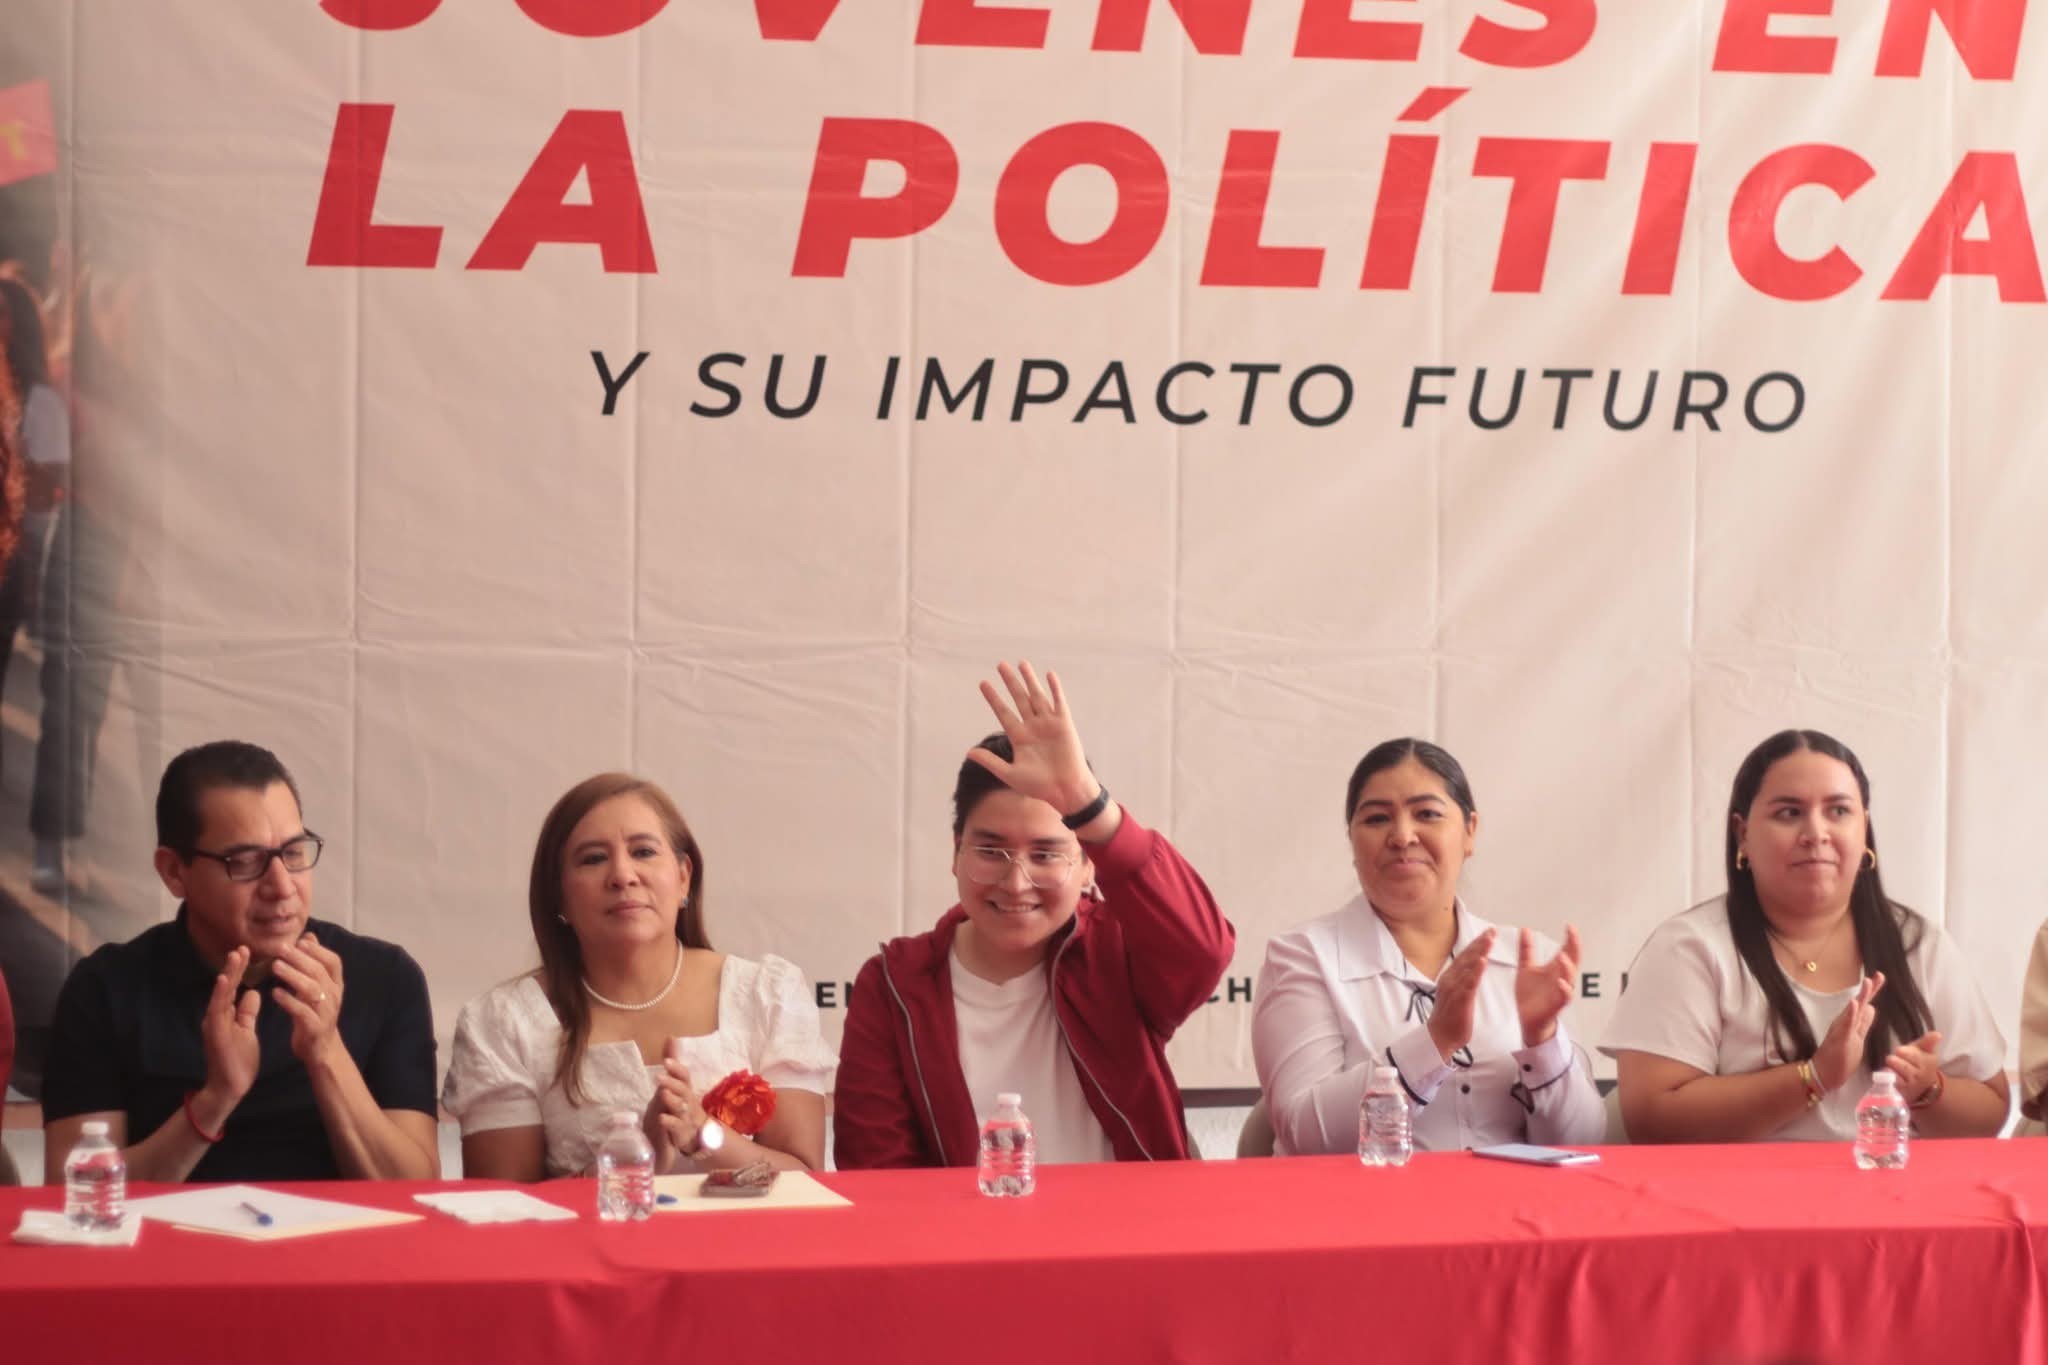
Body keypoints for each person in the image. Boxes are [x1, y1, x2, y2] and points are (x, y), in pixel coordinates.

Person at [834, 661, 1235, 1169]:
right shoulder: (895, 985)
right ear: (956, 852)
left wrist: (1088, 805)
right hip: (969, 1245)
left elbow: (1204, 949)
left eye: (1046, 855)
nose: (1016, 882)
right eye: (990, 851)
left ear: (1088, 863)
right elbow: (878, 1174)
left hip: (1128, 1237)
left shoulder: (1114, 949)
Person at [40, 741, 440, 1181]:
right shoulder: (106, 989)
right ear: (174, 871)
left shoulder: (384, 978)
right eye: (246, 862)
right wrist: (215, 1101)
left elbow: (416, 1191)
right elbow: (73, 1193)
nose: (282, 886)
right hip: (165, 1245)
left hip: (336, 1245)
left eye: (293, 853)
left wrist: (326, 1051)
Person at [1605, 729, 2007, 1142]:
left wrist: (1929, 1090)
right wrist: (1811, 1077)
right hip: (1732, 1200)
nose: (1816, 833)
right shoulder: (1691, 948)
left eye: (1838, 811)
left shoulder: (1919, 944)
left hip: (1895, 1196)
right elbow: (1651, 1120)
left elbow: (1991, 1109)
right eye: (1789, 813)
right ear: (1743, 834)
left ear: (1864, 828)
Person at [443, 773, 834, 1179]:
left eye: (643, 852)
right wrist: (635, 1153)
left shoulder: (766, 994)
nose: (623, 876)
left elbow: (807, 1179)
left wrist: (704, 1134)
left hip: (745, 1244)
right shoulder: (505, 1022)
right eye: (593, 858)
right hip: (580, 1244)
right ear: (558, 895)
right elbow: (505, 1214)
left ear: (684, 877)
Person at [1253, 739, 1602, 1155]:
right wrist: (1434, 1042)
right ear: (1352, 838)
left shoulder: (1527, 959)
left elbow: (1583, 1141)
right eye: (1377, 818)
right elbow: (1304, 1134)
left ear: (1470, 832)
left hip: (1512, 1211)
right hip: (1361, 1213)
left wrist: (1542, 1040)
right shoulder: (1304, 956)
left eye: (1428, 814)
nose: (1402, 836)